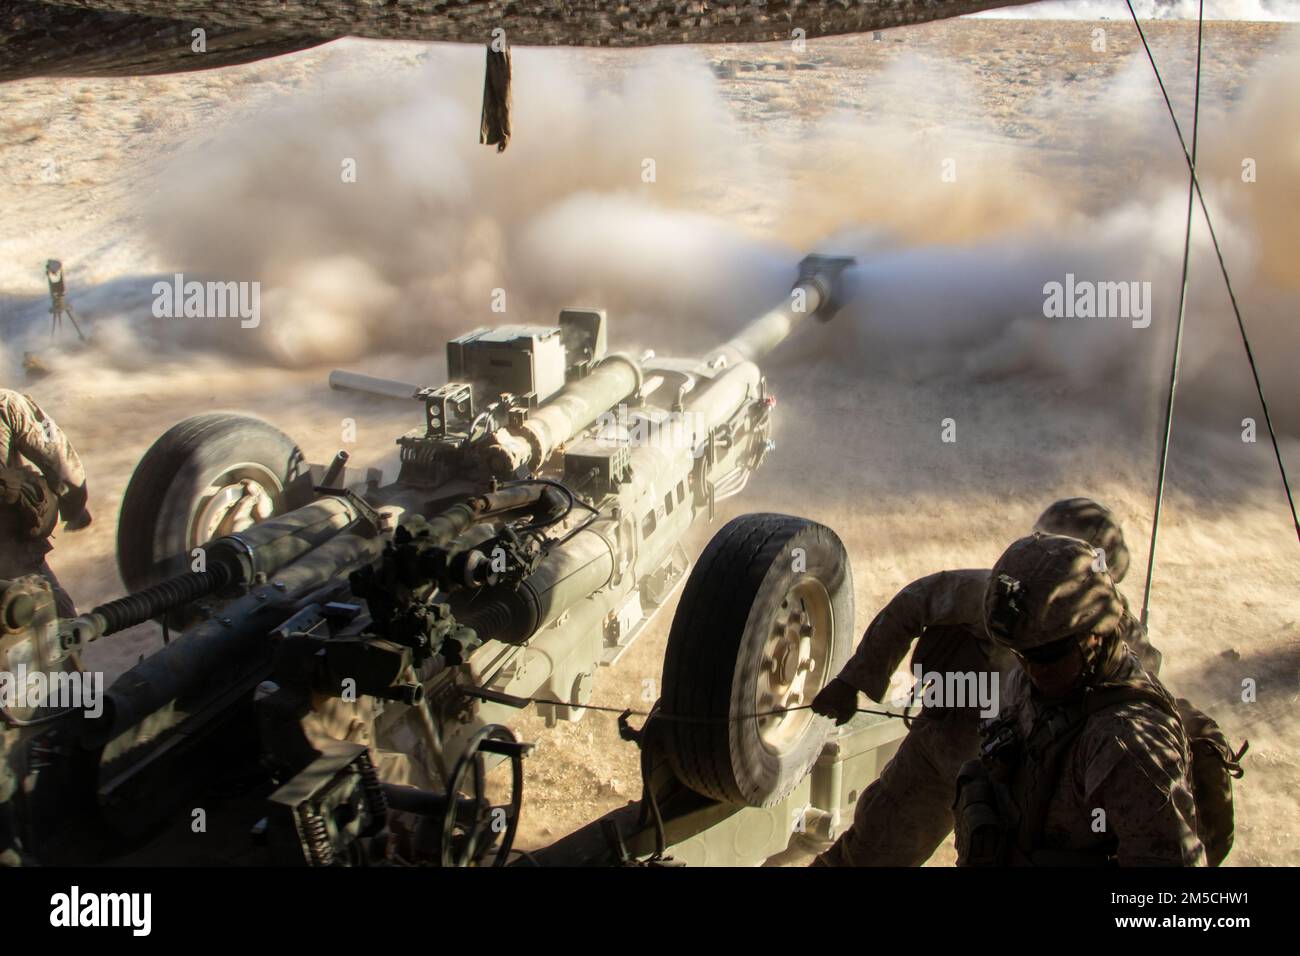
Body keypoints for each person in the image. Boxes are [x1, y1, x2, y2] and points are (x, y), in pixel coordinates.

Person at [810, 497, 1156, 866]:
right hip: (948, 757)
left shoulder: (1117, 631)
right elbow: (915, 603)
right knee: (868, 856)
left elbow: (1143, 681)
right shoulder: (997, 593)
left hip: (1031, 788)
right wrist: (854, 681)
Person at [951, 533, 1203, 866]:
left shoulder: (1125, 741)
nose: (1032, 669)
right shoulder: (1032, 680)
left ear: (1095, 633)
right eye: (1022, 654)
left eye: (1049, 654)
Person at [0, 388, 91, 616]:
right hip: (12, 562)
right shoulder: (7, 405)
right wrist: (74, 508)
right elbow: (61, 463)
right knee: (61, 627)